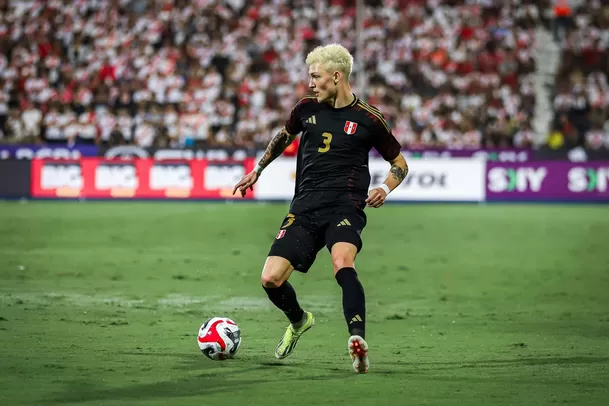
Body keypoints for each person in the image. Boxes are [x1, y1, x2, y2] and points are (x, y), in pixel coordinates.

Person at [232, 44, 409, 373]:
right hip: (305, 207)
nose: (311, 83)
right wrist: (258, 169)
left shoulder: (369, 119)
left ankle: (358, 343)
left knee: (343, 262)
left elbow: (399, 163)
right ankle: (299, 321)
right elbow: (284, 136)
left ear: (337, 76)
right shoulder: (305, 109)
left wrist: (384, 188)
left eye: (316, 76)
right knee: (270, 278)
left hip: (345, 205)